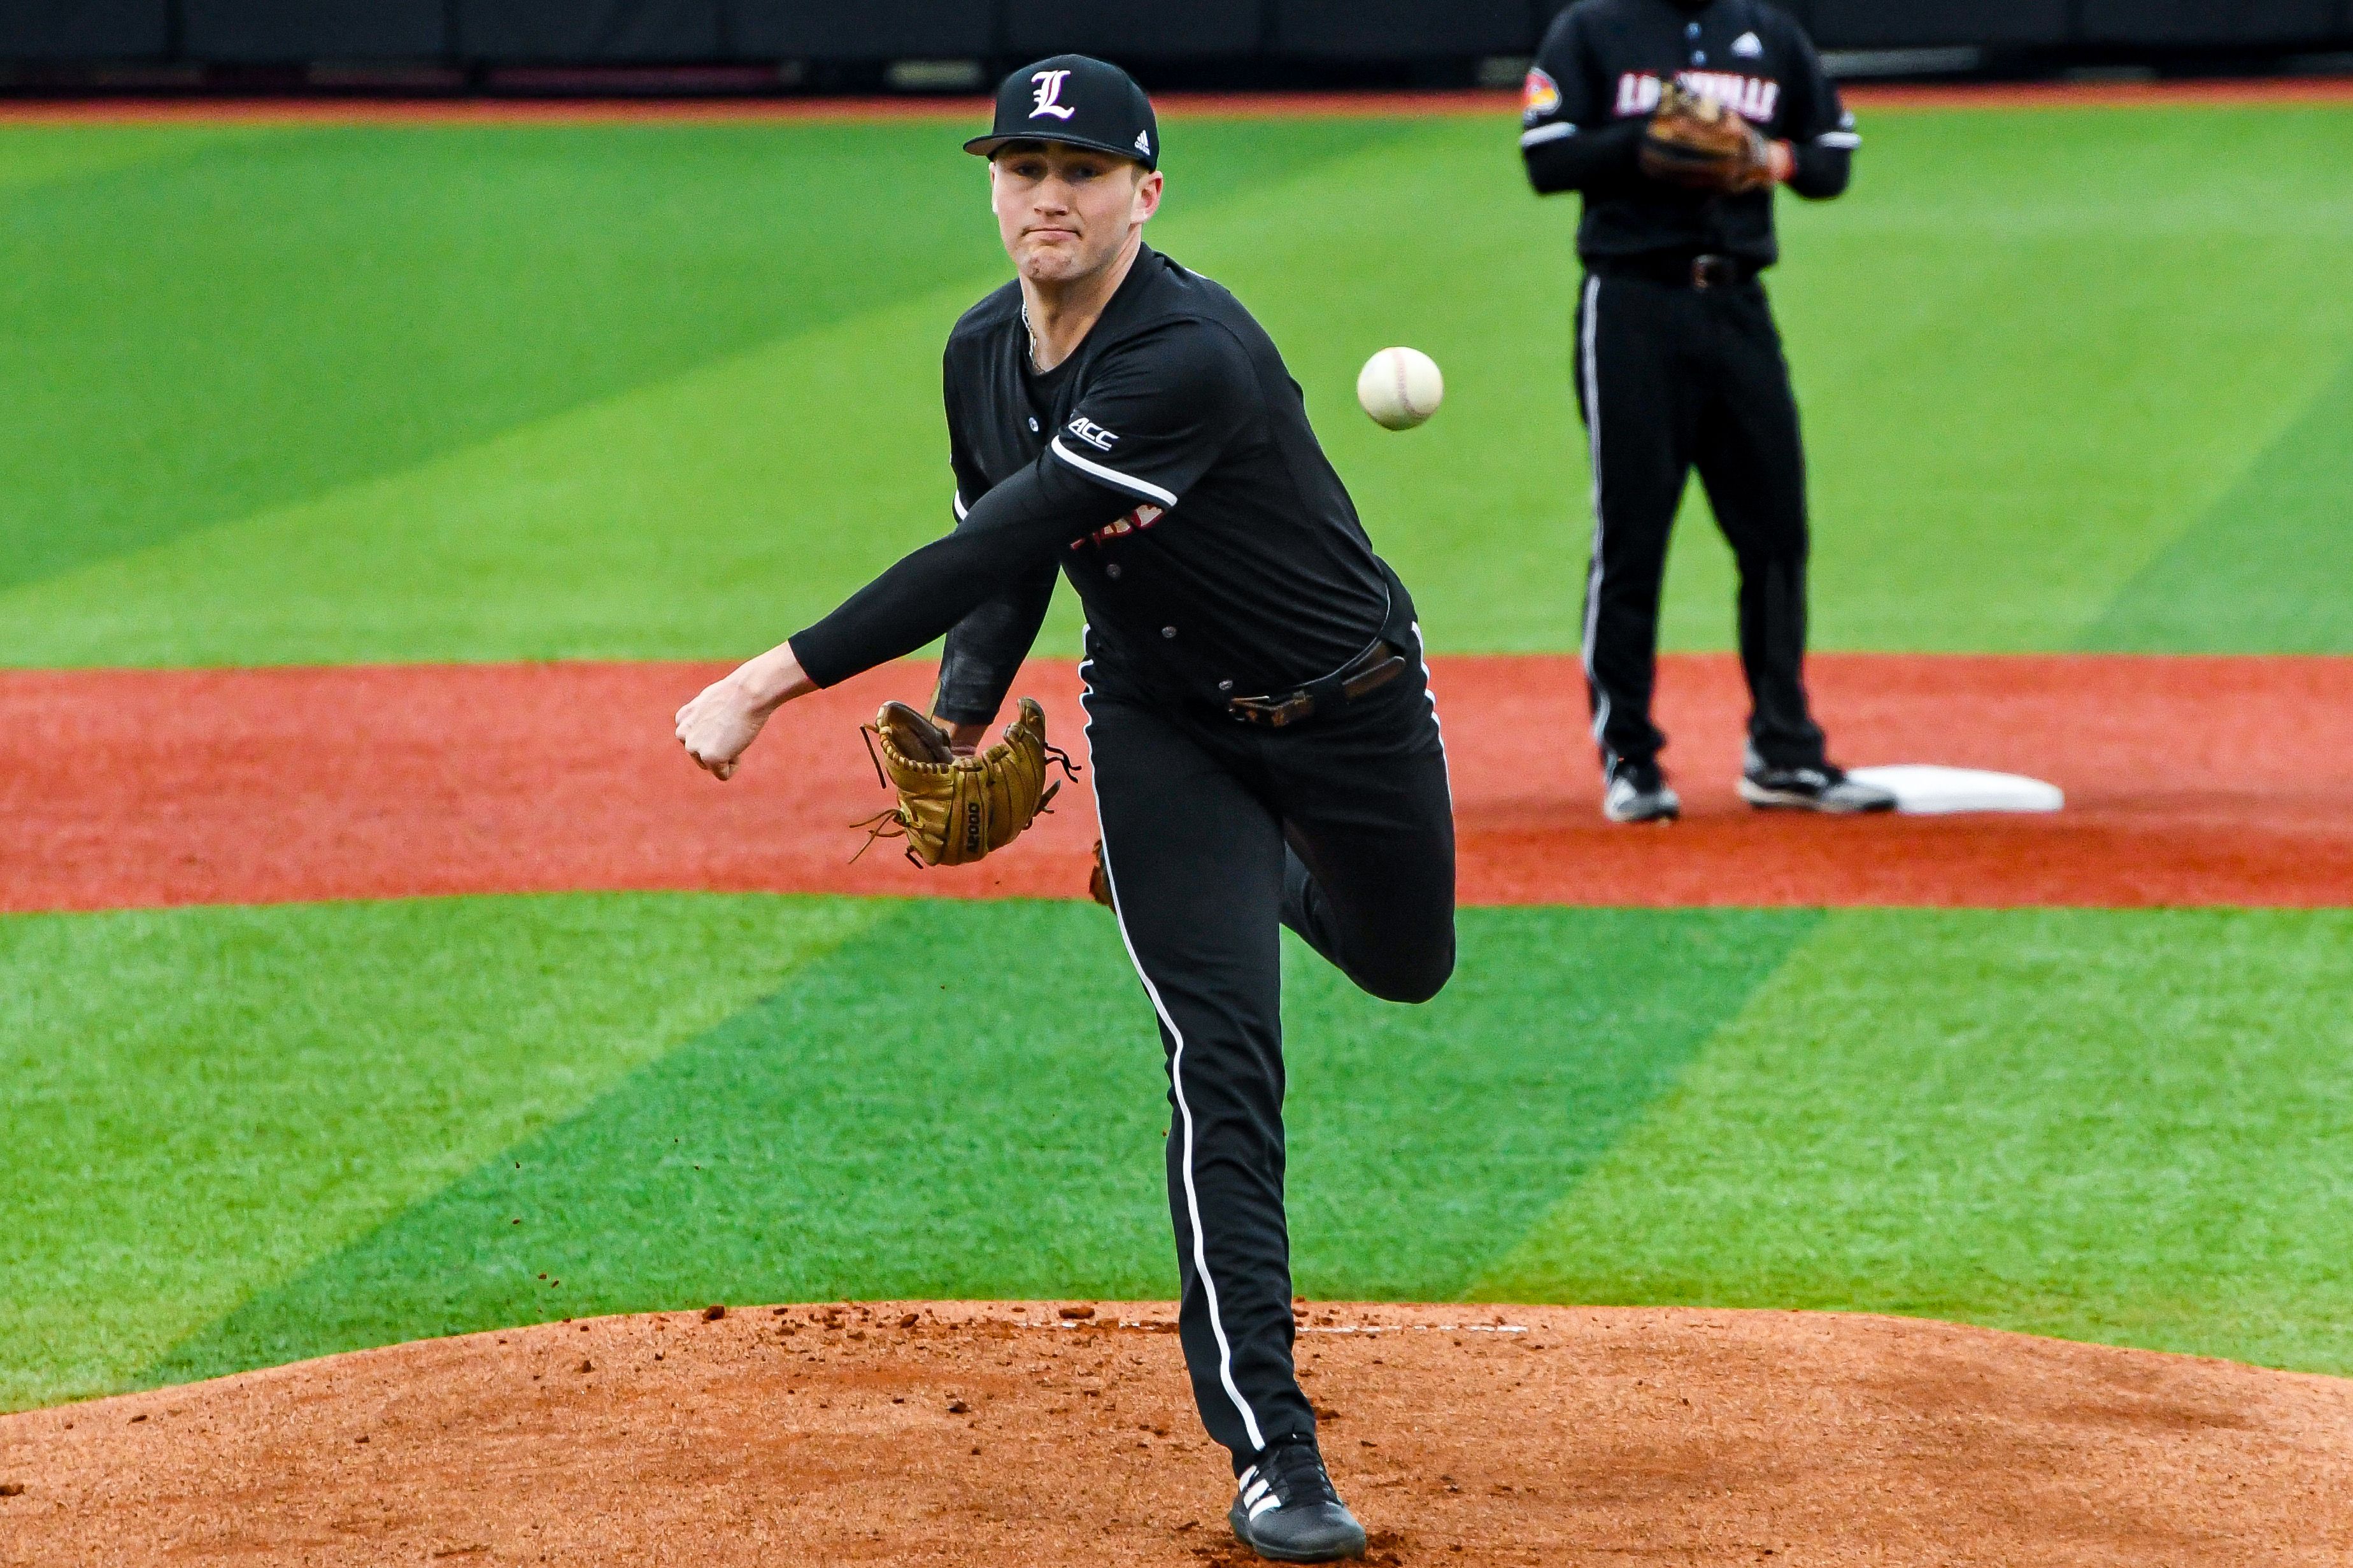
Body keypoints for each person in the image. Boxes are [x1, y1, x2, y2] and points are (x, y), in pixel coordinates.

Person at [673, 55, 1454, 1565]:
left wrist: (769, 680)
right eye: (1023, 168)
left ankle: (1260, 877)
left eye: (1085, 171)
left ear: (1145, 195)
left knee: (1405, 959)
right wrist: (965, 708)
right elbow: (1010, 560)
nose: (1050, 194)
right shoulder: (982, 352)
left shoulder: (1191, 351)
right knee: (1222, 1057)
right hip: (1162, 722)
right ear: (992, 186)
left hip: (1349, 710)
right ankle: (1274, 1452)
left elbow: (1026, 520)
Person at [1521, 0, 1895, 822]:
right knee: (1632, 538)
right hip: (1629, 307)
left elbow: (1832, 159)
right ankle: (1630, 759)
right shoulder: (1591, 31)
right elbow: (1545, 159)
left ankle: (1784, 750)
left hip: (1738, 308)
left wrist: (1769, 156)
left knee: (1776, 535)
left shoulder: (1768, 32)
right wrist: (1642, 146)